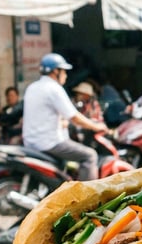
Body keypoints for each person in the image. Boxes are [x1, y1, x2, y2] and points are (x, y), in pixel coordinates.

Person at [22, 53, 108, 181]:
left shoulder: (32, 87)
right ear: (56, 71)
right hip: (50, 143)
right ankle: (88, 198)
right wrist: (96, 126)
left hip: (31, 142)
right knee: (90, 156)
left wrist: (62, 122)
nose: (66, 76)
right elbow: (75, 117)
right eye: (64, 71)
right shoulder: (54, 88)